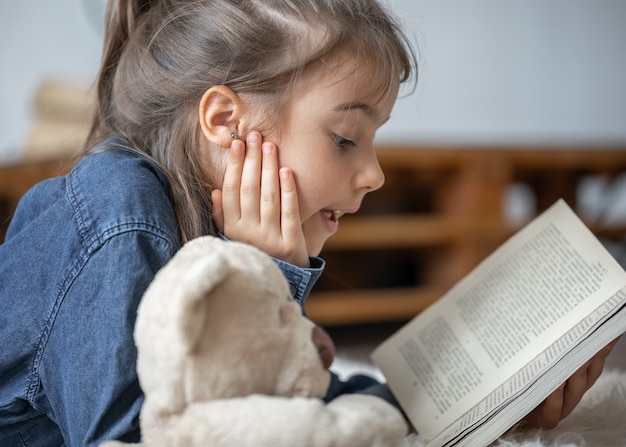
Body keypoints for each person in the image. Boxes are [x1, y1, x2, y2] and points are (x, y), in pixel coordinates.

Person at [0, 0, 616, 445]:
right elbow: (145, 434)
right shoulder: (118, 212)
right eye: (346, 138)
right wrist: (262, 278)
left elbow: (287, 403)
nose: (374, 173)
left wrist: (487, 407)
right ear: (226, 121)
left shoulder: (218, 235)